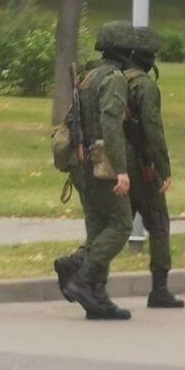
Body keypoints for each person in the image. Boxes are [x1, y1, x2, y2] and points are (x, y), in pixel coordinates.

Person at [52, 22, 135, 320]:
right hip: (101, 164)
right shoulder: (113, 78)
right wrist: (121, 171)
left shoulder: (89, 76)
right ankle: (82, 273)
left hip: (81, 163)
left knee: (99, 229)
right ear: (125, 51)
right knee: (121, 224)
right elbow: (111, 123)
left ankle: (96, 297)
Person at [124, 26, 183, 309]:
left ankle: (86, 273)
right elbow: (152, 130)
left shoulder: (115, 80)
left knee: (115, 225)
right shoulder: (145, 86)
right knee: (158, 223)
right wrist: (164, 167)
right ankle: (159, 289)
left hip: (118, 164)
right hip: (142, 167)